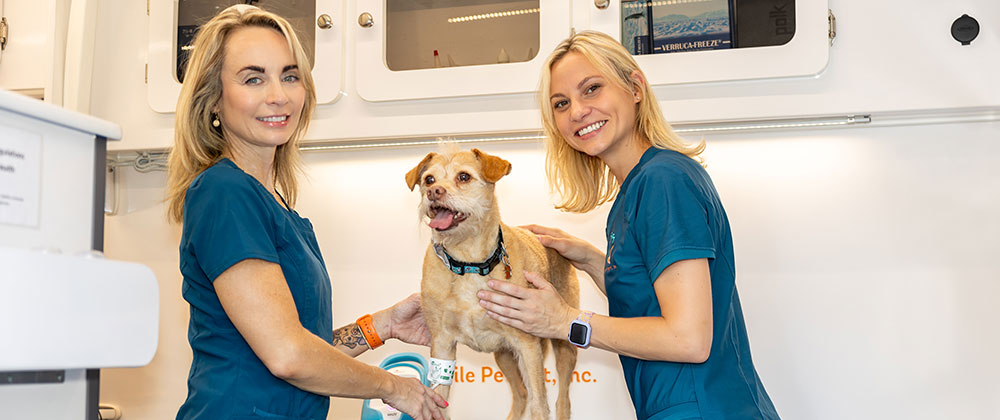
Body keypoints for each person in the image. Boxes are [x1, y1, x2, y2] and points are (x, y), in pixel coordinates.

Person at [476, 31, 780, 420]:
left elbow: (688, 339)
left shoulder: (662, 181)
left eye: (592, 89)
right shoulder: (639, 188)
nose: (577, 111)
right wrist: (592, 260)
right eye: (561, 103)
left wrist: (565, 321)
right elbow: (654, 304)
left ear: (635, 88)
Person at [164, 6, 446, 420]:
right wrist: (393, 387)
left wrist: (382, 325)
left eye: (290, 76)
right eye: (253, 78)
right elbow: (288, 356)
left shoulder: (274, 205)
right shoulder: (224, 192)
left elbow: (300, 352)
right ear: (214, 100)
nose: (278, 95)